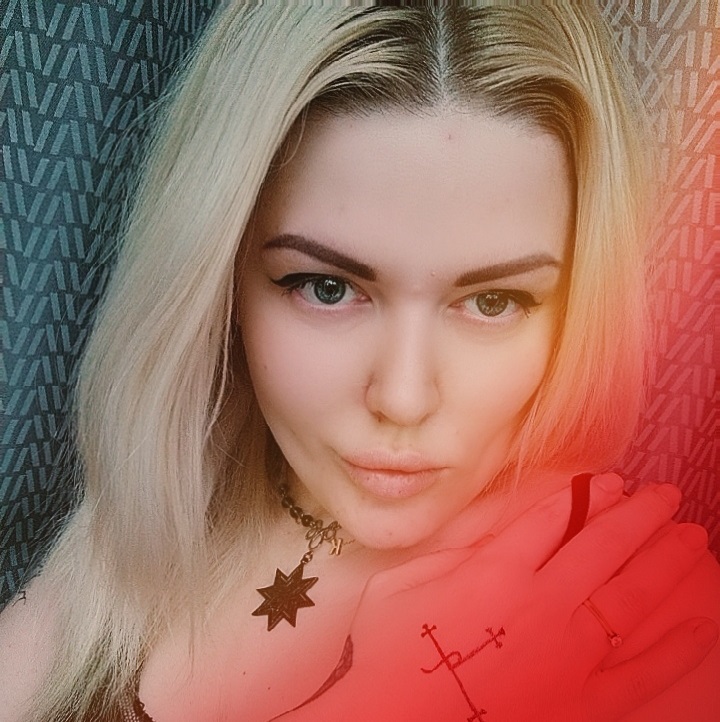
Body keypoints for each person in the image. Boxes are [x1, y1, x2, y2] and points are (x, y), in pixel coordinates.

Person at [0, 4, 718, 721]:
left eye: (493, 301)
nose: (403, 398)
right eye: (327, 288)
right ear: (220, 281)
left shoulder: (635, 611)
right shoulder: (174, 493)